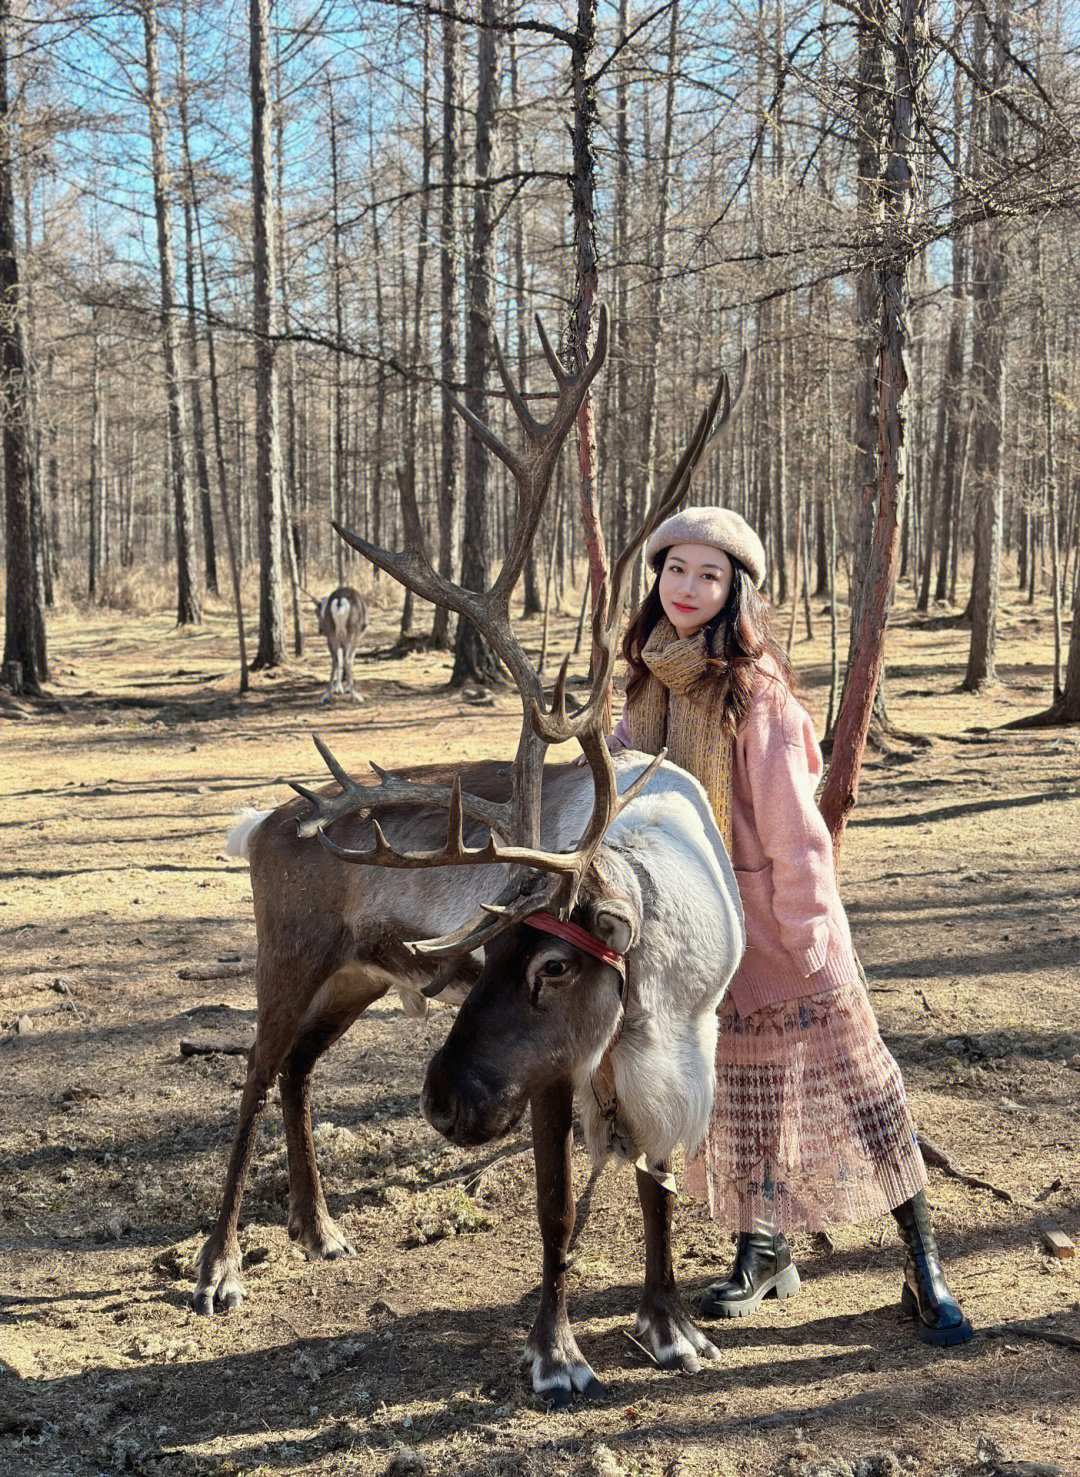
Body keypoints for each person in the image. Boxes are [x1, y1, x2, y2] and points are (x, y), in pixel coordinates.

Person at [606, 505, 972, 1347]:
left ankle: (925, 1266)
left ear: (736, 590)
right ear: (655, 578)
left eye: (709, 574)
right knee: (741, 1097)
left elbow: (795, 826)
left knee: (865, 1094)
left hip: (783, 928)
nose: (688, 587)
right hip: (699, 932)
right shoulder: (649, 681)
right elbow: (624, 774)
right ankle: (762, 1251)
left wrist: (809, 926)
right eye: (676, 570)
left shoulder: (755, 689)